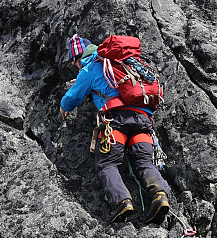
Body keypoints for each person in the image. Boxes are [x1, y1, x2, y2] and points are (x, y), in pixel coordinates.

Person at [60, 34, 171, 224]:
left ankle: (122, 202)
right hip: (143, 120)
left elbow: (72, 97)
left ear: (79, 58)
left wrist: (63, 108)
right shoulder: (122, 62)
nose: (75, 67)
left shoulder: (91, 67)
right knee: (144, 162)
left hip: (116, 121)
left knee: (107, 164)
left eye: (74, 62)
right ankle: (160, 196)